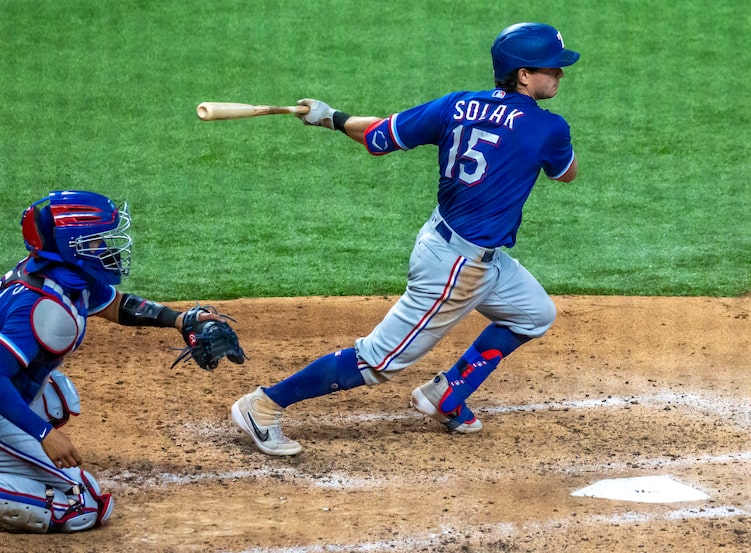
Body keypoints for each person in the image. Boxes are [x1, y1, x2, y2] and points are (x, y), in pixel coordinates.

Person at [232, 22, 580, 456]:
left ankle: (445, 394)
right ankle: (264, 405)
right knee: (377, 361)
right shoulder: (548, 128)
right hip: (457, 270)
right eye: (553, 68)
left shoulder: (457, 104)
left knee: (534, 314)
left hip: (452, 245)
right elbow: (566, 174)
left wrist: (330, 118)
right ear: (524, 75)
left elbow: (379, 136)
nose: (560, 75)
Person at [0, 190, 223, 532]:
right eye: (96, 241)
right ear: (71, 246)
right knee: (83, 505)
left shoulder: (60, 275)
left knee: (58, 398)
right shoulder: (42, 309)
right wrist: (43, 434)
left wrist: (178, 319)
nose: (106, 247)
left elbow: (116, 305)